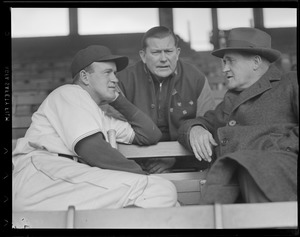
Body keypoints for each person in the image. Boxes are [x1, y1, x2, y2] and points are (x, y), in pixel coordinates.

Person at [12, 45, 178, 211]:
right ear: (85, 77)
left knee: (166, 200)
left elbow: (150, 134)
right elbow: (93, 149)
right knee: (159, 190)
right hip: (41, 175)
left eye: (115, 73)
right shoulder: (69, 93)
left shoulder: (100, 115)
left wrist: (117, 100)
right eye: (107, 72)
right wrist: (143, 177)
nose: (115, 79)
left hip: (67, 180)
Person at [178, 27, 298, 203]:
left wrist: (273, 147)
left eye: (230, 61)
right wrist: (195, 129)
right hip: (231, 179)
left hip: (273, 178)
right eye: (223, 62)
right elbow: (197, 123)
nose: (224, 69)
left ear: (256, 62)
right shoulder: (231, 99)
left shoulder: (290, 83)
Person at [117, 26, 216, 174]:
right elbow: (116, 131)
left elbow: (210, 125)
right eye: (156, 52)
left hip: (187, 163)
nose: (163, 59)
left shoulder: (196, 79)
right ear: (143, 56)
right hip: (136, 165)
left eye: (169, 51)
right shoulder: (123, 80)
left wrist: (173, 158)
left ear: (177, 53)